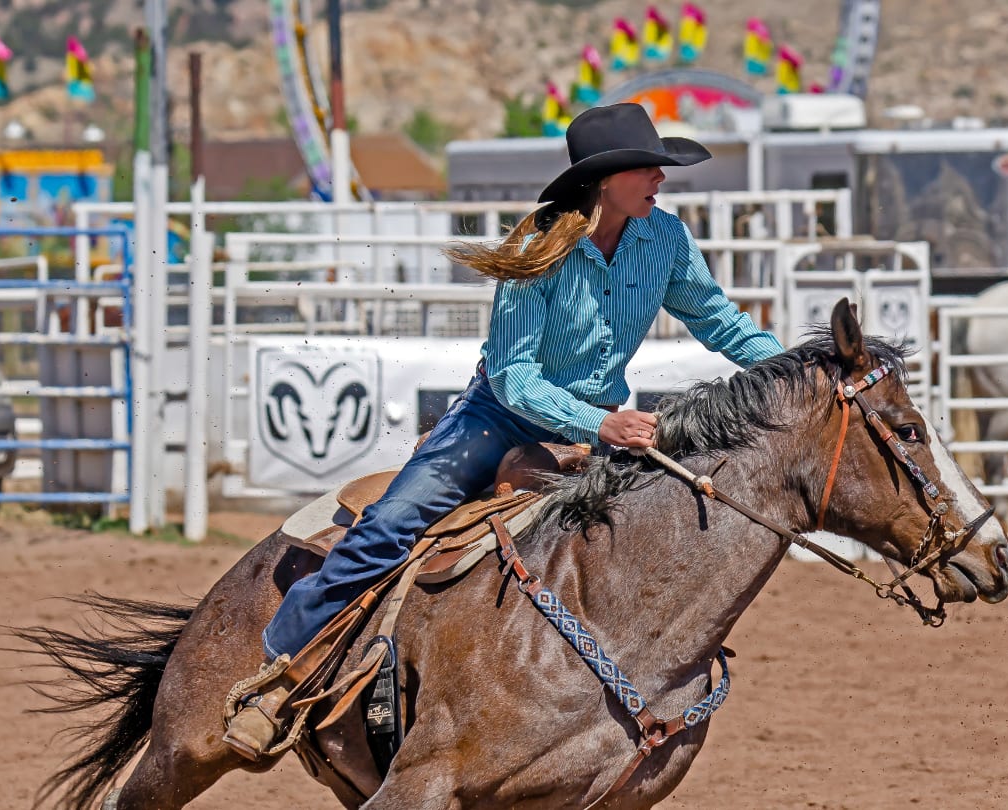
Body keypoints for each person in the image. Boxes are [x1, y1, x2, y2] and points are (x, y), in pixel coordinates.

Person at [222, 102, 786, 759]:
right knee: (389, 524)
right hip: (499, 418)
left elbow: (719, 320)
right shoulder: (536, 250)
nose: (661, 178)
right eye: (647, 168)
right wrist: (603, 424)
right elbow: (516, 379)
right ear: (608, 180)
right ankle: (278, 677)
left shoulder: (664, 240)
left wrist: (798, 367)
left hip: (601, 424)